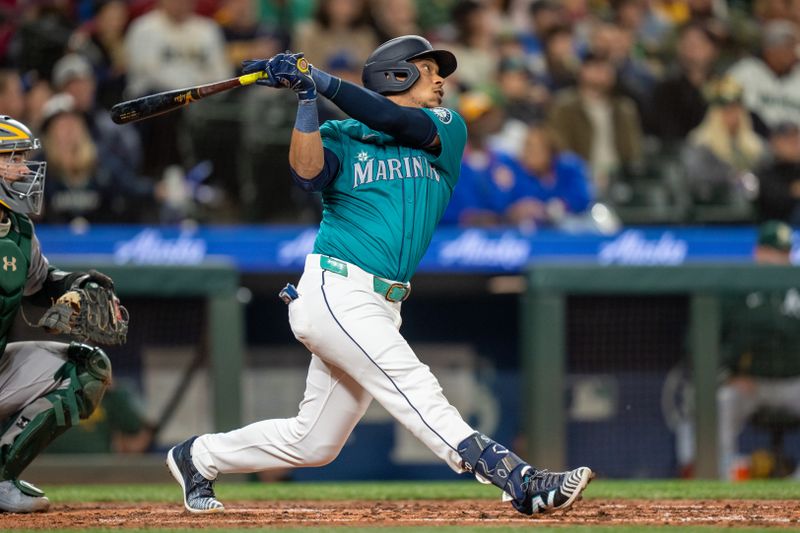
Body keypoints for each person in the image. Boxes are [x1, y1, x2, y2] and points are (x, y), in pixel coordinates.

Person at [166, 35, 593, 515]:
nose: (440, 81)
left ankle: (198, 456)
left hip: (384, 301)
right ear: (397, 74)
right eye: (430, 70)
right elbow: (307, 174)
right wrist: (308, 99)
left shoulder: (445, 128)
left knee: (315, 443)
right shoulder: (342, 135)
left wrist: (320, 78)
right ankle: (517, 478)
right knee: (413, 383)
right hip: (336, 287)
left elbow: (394, 120)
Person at [0, 116, 116, 512]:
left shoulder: (17, 228)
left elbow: (40, 283)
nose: (24, 168)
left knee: (87, 369)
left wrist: (77, 286)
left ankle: (0, 478)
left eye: (23, 157)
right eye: (11, 158)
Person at [718, 220, 800, 479]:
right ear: (759, 252)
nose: (781, 259)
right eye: (775, 252)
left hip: (794, 384)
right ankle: (721, 481)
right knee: (721, 403)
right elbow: (706, 338)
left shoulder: (796, 287)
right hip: (750, 383)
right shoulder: (737, 287)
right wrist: (727, 375)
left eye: (785, 252)